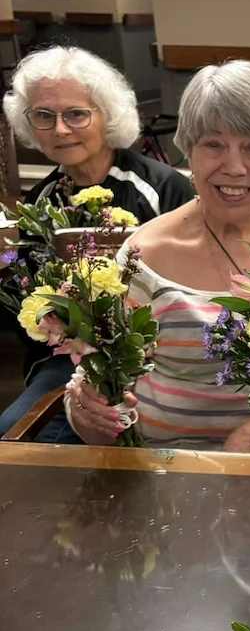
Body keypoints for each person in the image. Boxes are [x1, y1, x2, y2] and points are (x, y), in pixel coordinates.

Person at [65, 59, 250, 451]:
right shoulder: (144, 255)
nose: (233, 167)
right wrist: (88, 410)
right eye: (213, 144)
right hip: (167, 467)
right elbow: (99, 387)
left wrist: (249, 441)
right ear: (188, 155)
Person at [0, 45, 194, 441]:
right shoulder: (41, 203)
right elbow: (29, 321)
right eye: (43, 115)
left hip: (160, 358)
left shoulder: (162, 189)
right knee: (10, 439)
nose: (60, 129)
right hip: (67, 365)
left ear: (107, 114)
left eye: (75, 113)